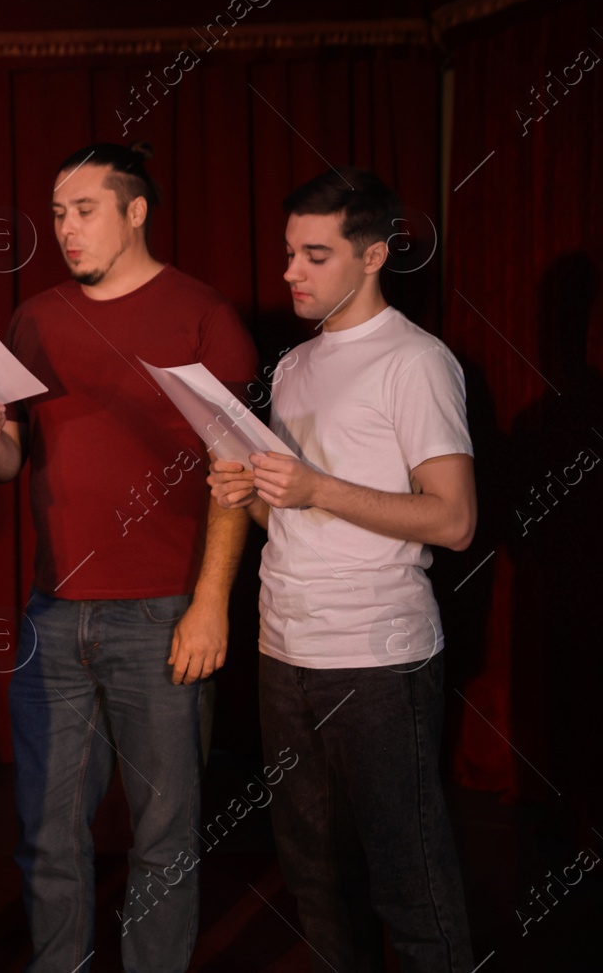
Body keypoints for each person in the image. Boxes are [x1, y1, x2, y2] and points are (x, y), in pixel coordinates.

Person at [0, 142, 258, 972]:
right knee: (47, 830)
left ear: (136, 212)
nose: (64, 229)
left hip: (164, 613)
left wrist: (210, 603)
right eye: (56, 213)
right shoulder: (37, 316)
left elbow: (234, 477)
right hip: (54, 614)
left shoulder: (203, 316)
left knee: (165, 834)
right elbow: (8, 463)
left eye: (83, 210)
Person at [208, 168, 475, 970]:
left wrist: (318, 483)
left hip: (379, 660)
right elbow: (290, 519)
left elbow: (455, 519)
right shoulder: (293, 365)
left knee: (409, 879)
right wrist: (251, 487)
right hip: (285, 651)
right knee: (315, 877)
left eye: (314, 255)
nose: (290, 271)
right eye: (289, 252)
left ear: (374, 255)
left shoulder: (416, 362)